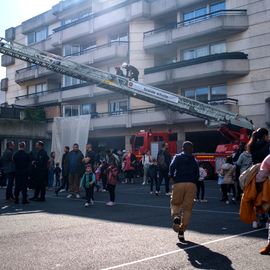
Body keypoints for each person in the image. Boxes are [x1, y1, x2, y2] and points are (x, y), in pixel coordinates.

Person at [169, 141, 199, 242]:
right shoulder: (194, 159)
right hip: (191, 184)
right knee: (188, 208)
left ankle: (176, 216)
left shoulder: (177, 157)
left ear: (182, 148)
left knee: (176, 203)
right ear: (192, 149)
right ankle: (181, 232)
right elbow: (197, 173)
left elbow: (172, 167)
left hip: (179, 182)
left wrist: (172, 176)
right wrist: (194, 181)